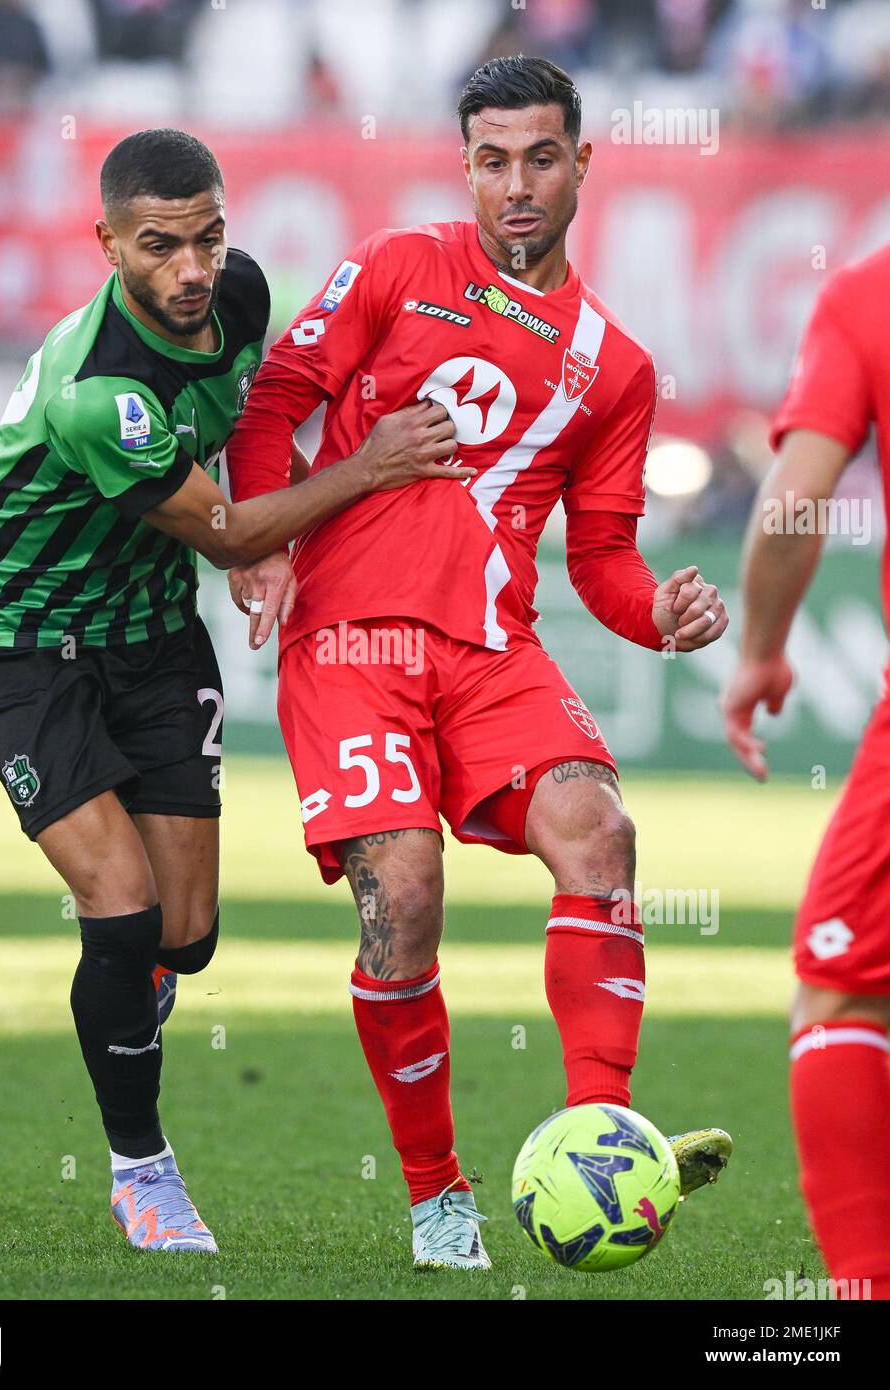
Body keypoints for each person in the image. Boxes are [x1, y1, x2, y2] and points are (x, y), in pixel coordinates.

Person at [0, 127, 469, 1255]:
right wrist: (362, 470)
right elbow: (222, 537)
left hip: (148, 629)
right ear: (109, 243)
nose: (190, 268)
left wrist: (262, 525)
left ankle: (134, 988)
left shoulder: (244, 296)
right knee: (118, 902)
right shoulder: (99, 395)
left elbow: (251, 431)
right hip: (18, 629)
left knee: (187, 930)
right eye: (160, 245)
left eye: (207, 237)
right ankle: (142, 1169)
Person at [225, 57, 732, 1271]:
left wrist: (655, 609)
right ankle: (435, 1190)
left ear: (580, 165)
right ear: (464, 166)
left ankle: (601, 1130)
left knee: (598, 833)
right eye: (491, 161)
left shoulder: (613, 365)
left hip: (492, 647)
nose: (515, 185)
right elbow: (269, 402)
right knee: (399, 895)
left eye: (539, 158)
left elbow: (601, 553)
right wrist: (263, 542)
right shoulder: (399, 265)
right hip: (350, 640)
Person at [723, 242, 890, 1300]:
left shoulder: (864, 295)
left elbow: (791, 503)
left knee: (839, 993)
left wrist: (756, 650)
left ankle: (862, 1291)